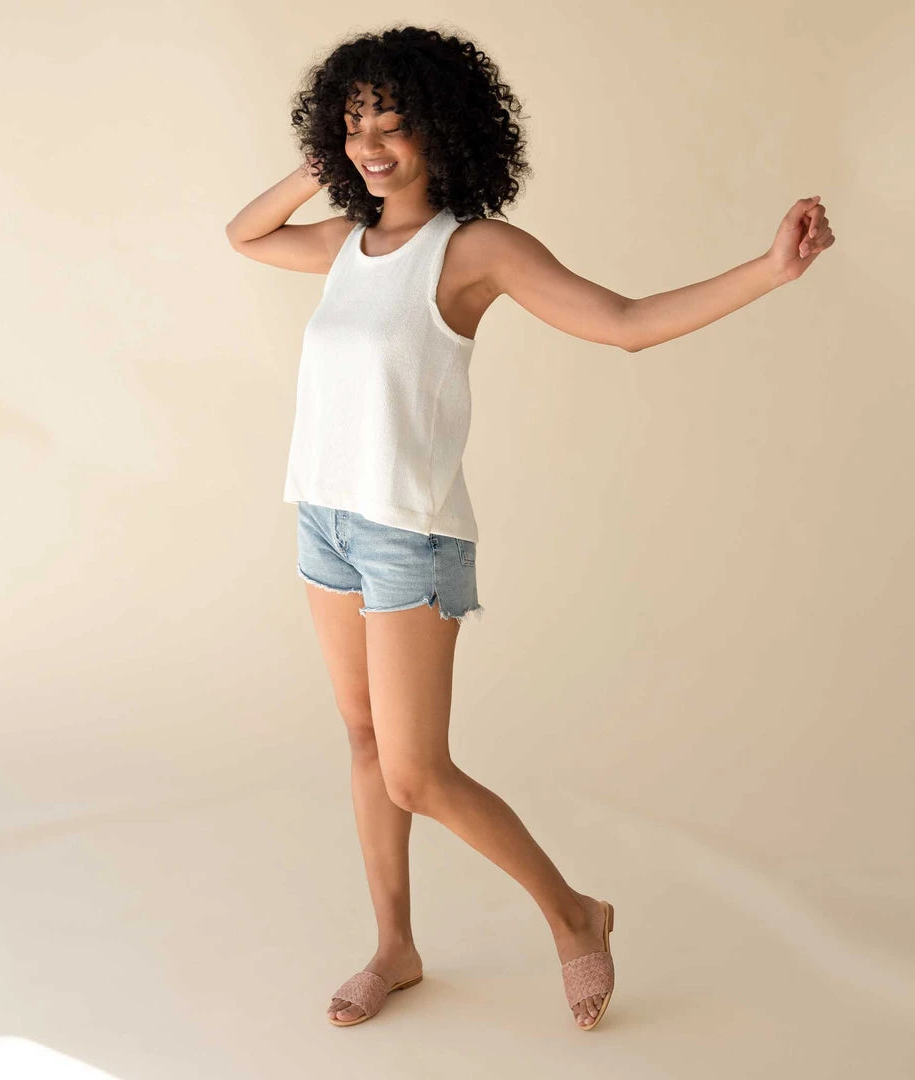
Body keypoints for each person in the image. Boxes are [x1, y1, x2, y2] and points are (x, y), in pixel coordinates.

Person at [225, 25, 834, 1031]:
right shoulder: (343, 244)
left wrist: (769, 271)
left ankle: (573, 913)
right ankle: (395, 947)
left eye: (392, 121)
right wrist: (324, 165)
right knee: (366, 744)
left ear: (442, 127)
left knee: (416, 772)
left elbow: (625, 323)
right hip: (324, 521)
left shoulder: (473, 249)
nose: (371, 143)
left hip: (409, 535)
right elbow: (245, 236)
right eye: (353, 121)